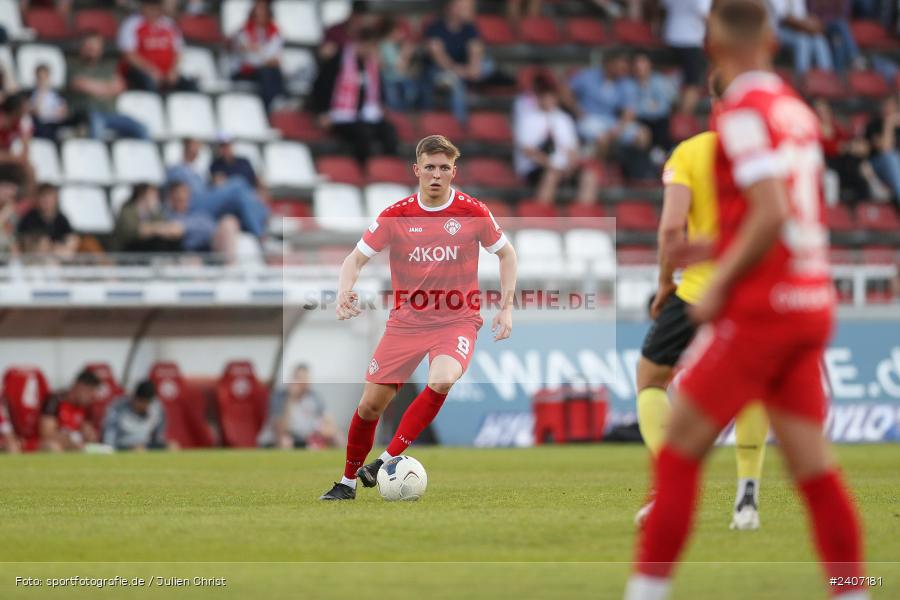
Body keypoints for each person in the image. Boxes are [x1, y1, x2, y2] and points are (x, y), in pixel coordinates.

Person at [625, 2, 865, 598]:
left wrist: (722, 281)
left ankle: (645, 591)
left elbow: (771, 211)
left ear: (710, 45)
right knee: (814, 468)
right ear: (772, 41)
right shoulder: (796, 110)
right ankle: (853, 589)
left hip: (764, 310)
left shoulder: (740, 111)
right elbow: (783, 213)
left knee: (677, 451)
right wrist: (709, 250)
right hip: (811, 299)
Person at [319, 135, 518, 500]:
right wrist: (344, 290)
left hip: (456, 321)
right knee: (369, 406)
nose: (437, 174)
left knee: (442, 380)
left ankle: (385, 460)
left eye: (444, 168)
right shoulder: (396, 216)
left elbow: (507, 255)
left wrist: (506, 306)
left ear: (454, 172)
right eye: (430, 167)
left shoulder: (473, 211)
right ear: (417, 170)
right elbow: (354, 259)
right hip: (406, 324)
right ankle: (346, 483)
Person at [634, 73, 769, 533]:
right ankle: (747, 497)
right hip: (755, 285)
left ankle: (670, 485)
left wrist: (664, 282)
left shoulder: (690, 152)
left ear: (711, 99)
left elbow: (672, 231)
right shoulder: (767, 151)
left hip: (697, 287)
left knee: (651, 376)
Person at [311, 26, 398, 165]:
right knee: (363, 134)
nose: (370, 50)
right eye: (367, 46)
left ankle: (389, 170)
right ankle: (364, 170)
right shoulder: (339, 60)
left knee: (390, 132)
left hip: (367, 114)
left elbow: (377, 91)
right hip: (342, 116)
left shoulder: (372, 65)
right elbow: (321, 87)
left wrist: (382, 105)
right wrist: (322, 112)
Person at [513, 72, 598, 206]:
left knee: (589, 176)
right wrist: (551, 164)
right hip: (537, 167)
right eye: (544, 96)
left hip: (563, 166)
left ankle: (583, 219)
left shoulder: (564, 119)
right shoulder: (528, 119)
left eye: (551, 96)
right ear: (539, 98)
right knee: (552, 175)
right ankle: (541, 217)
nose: (548, 100)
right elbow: (528, 151)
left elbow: (572, 148)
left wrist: (571, 164)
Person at [167, 138, 268, 238]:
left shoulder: (196, 170)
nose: (198, 149)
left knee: (242, 197)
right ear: (187, 147)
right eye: (195, 145)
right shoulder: (178, 169)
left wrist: (215, 185)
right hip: (195, 206)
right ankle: (260, 233)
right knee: (238, 184)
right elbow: (178, 194)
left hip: (204, 201)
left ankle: (261, 226)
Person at [423, 0, 501, 125]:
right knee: (456, 83)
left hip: (463, 69)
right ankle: (460, 124)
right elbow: (439, 58)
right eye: (464, 7)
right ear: (452, 8)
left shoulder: (469, 27)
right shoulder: (435, 27)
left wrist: (473, 68)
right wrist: (460, 71)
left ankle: (475, 89)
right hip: (440, 71)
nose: (468, 10)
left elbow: (475, 50)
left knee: (488, 65)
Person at [69, 31, 149, 140]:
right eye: (89, 46)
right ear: (82, 47)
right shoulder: (73, 65)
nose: (92, 50)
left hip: (112, 113)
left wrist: (94, 87)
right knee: (96, 126)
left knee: (141, 129)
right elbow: (80, 84)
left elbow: (120, 86)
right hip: (88, 114)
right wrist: (108, 87)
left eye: (95, 46)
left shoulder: (108, 67)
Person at [118, 0, 197, 93]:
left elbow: (178, 51)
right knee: (149, 84)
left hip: (167, 73)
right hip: (141, 72)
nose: (153, 11)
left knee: (191, 86)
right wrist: (150, 70)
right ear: (143, 7)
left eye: (156, 7)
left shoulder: (169, 24)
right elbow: (129, 54)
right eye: (150, 7)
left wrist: (173, 71)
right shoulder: (131, 24)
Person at [259, 364, 339, 449]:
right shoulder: (280, 397)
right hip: (279, 440)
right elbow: (280, 429)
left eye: (306, 378)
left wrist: (326, 431)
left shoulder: (315, 398)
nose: (304, 382)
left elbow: (329, 422)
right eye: (300, 378)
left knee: (336, 438)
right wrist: (291, 398)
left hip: (305, 439)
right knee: (285, 441)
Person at [231, 0, 286, 112]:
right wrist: (264, 59)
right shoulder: (244, 31)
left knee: (274, 72)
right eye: (257, 13)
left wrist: (261, 56)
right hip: (244, 71)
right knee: (267, 73)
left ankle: (276, 103)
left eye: (263, 12)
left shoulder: (274, 32)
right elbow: (247, 58)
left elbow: (276, 58)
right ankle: (267, 107)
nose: (260, 16)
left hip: (264, 69)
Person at [164, 180, 240, 261]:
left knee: (229, 222)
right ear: (171, 197)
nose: (183, 196)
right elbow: (174, 230)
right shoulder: (167, 216)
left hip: (210, 250)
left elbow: (211, 229)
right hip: (186, 255)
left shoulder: (198, 214)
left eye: (185, 194)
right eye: (178, 197)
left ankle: (230, 270)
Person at [660, 0, 711, 116]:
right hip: (690, 40)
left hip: (670, 36)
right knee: (693, 84)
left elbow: (663, 8)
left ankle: (672, 117)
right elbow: (704, 14)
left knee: (675, 81)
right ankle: (683, 121)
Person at [40, 368, 102, 452]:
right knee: (52, 447)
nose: (91, 396)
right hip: (58, 445)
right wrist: (68, 440)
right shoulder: (55, 400)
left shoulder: (87, 407)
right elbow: (46, 433)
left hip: (77, 446)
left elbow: (88, 431)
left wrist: (89, 435)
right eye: (89, 391)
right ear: (79, 386)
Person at [102, 380, 175, 451]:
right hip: (123, 448)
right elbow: (109, 441)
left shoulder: (157, 408)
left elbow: (159, 436)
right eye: (141, 401)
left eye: (147, 402)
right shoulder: (117, 408)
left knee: (172, 447)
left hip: (146, 447)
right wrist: (130, 449)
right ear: (134, 397)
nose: (144, 406)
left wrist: (161, 446)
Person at [111, 183, 184, 253]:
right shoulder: (128, 209)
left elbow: (169, 228)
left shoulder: (154, 212)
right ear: (142, 194)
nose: (156, 198)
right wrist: (156, 229)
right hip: (128, 250)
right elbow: (133, 231)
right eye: (153, 194)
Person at [768, 0, 834, 76]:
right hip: (777, 31)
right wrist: (808, 28)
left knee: (819, 39)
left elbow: (802, 17)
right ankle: (802, 78)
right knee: (803, 40)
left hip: (798, 30)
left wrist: (811, 26)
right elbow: (785, 19)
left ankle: (826, 76)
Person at [16, 183, 79, 261]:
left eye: (49, 198)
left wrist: (54, 247)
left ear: (55, 199)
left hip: (57, 256)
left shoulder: (62, 219)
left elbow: (71, 240)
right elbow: (25, 243)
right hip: (35, 259)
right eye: (43, 198)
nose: (47, 201)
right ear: (37, 199)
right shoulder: (29, 218)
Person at [633, 53, 677, 153]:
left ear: (650, 64)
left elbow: (663, 107)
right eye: (636, 64)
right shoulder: (630, 84)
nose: (639, 67)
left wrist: (643, 106)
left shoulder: (660, 81)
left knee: (662, 123)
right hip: (640, 121)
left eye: (642, 63)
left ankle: (662, 151)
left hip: (659, 122)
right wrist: (649, 106)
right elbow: (632, 109)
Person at [865, 96, 900, 213]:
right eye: (885, 105)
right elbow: (885, 149)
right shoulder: (874, 124)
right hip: (876, 165)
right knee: (891, 158)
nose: (887, 108)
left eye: (891, 106)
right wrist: (889, 124)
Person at [29, 64, 78, 141]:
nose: (42, 80)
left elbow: (63, 113)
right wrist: (41, 92)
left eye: (45, 77)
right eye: (40, 78)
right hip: (42, 126)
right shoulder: (31, 94)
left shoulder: (56, 95)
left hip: (56, 123)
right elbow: (36, 112)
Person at [379, 17, 419, 112]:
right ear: (392, 32)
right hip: (391, 80)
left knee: (411, 95)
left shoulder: (395, 45)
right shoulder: (386, 45)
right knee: (394, 105)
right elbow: (398, 65)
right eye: (399, 32)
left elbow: (403, 67)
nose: (402, 35)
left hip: (401, 79)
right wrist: (406, 52)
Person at [0, 94, 35, 194]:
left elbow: (25, 154)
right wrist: (15, 158)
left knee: (29, 169)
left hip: (7, 158)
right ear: (16, 110)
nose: (27, 109)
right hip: (7, 157)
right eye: (24, 106)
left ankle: (28, 204)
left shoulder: (23, 121)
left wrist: (16, 158)